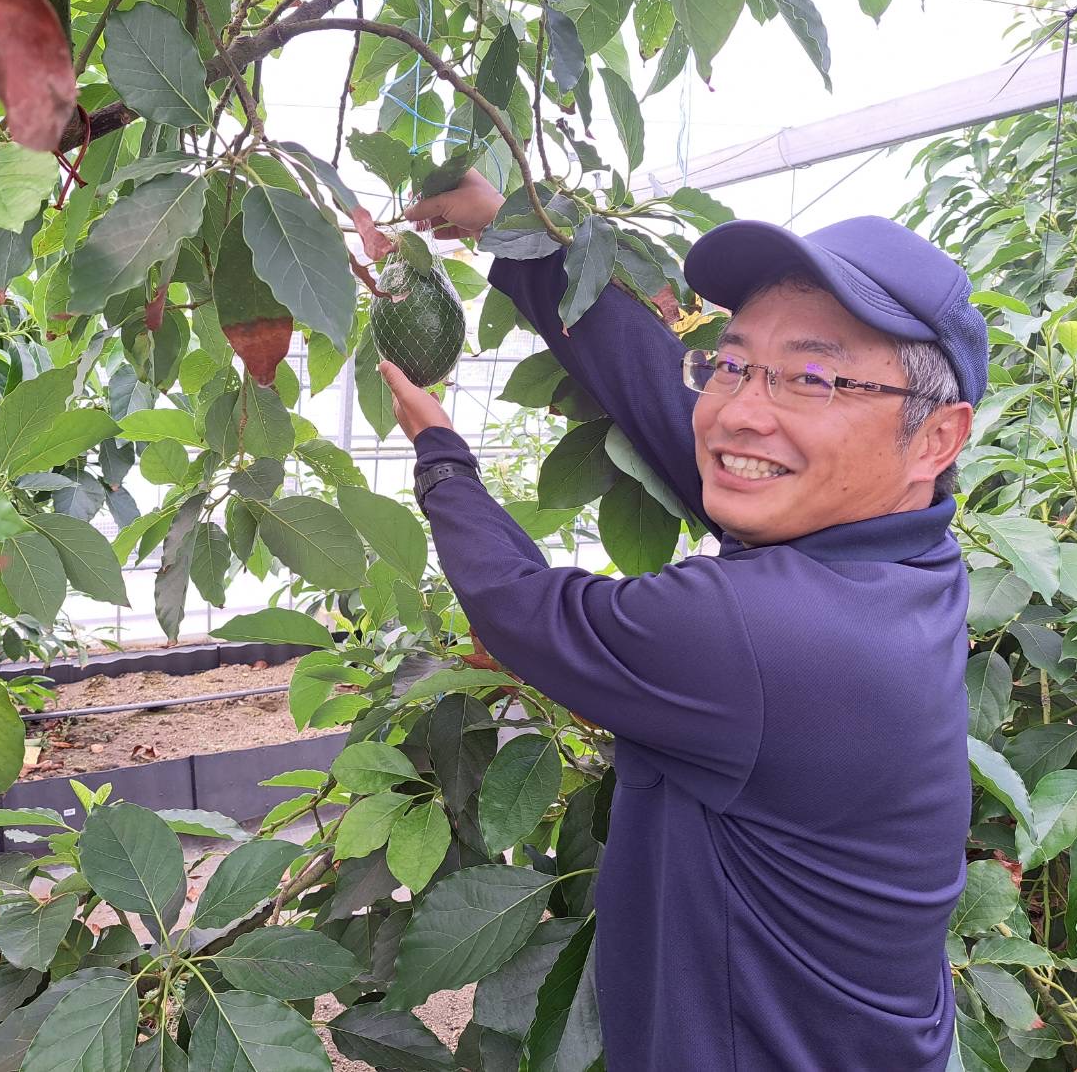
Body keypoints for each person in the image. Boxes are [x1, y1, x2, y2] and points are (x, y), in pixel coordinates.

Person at [379, 168, 985, 1071]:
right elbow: (675, 407)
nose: (739, 411)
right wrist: (517, 231)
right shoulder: (901, 560)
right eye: (733, 362)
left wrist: (440, 458)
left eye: (815, 378)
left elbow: (519, 608)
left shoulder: (773, 635)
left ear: (936, 438)